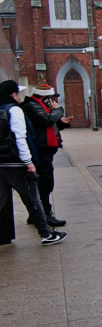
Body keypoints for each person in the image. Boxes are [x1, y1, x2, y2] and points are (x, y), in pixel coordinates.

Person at [0, 80, 67, 246]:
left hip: (2, 162)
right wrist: (28, 161)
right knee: (32, 199)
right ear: (13, 94)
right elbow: (20, 137)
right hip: (15, 162)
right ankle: (46, 234)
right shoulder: (14, 110)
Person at [20, 81, 72, 227]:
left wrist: (62, 123)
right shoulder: (31, 106)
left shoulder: (40, 106)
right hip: (39, 151)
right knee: (45, 182)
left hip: (44, 150)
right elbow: (46, 120)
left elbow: (49, 125)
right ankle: (45, 214)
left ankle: (35, 213)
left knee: (42, 182)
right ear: (45, 97)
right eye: (52, 98)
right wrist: (58, 110)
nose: (54, 101)